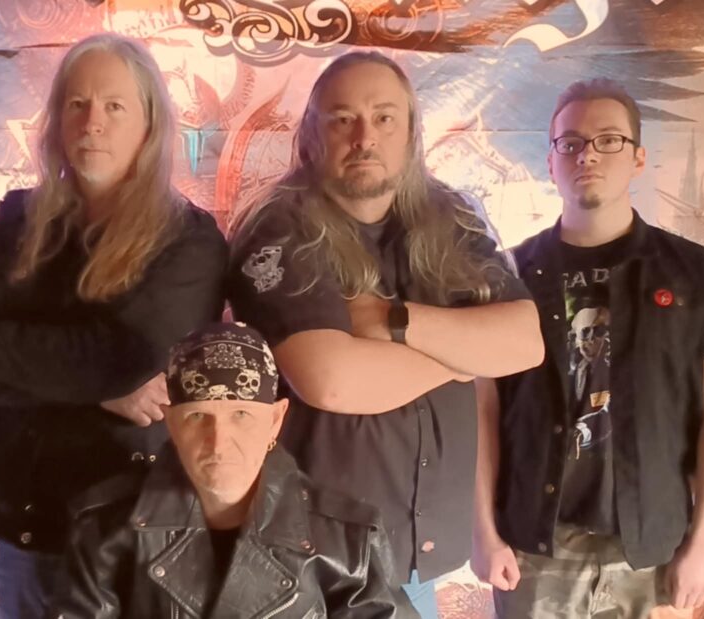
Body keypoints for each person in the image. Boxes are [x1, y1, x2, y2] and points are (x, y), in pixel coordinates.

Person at [0, 33, 228, 619]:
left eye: (115, 106)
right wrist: (98, 392)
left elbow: (124, 358)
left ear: (150, 124)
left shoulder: (188, 241)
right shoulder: (17, 222)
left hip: (135, 542)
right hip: (26, 531)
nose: (92, 123)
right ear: (57, 119)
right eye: (77, 104)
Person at [227, 51, 544, 618]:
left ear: (412, 132)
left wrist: (395, 322)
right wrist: (465, 355)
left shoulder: (452, 218)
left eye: (384, 117)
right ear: (311, 135)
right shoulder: (278, 228)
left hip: (413, 560)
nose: (364, 136)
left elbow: (524, 343)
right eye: (342, 118)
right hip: (314, 566)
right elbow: (332, 380)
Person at [472, 78, 704, 618]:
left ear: (638, 158)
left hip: (654, 550)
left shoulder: (695, 276)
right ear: (551, 162)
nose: (587, 154)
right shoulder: (505, 278)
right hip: (535, 549)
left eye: (609, 140)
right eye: (569, 142)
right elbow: (481, 413)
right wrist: (482, 533)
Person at [60, 322, 416, 617]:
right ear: (171, 423)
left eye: (241, 415)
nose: (218, 442)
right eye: (197, 416)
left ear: (275, 420)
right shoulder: (105, 529)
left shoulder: (348, 542)